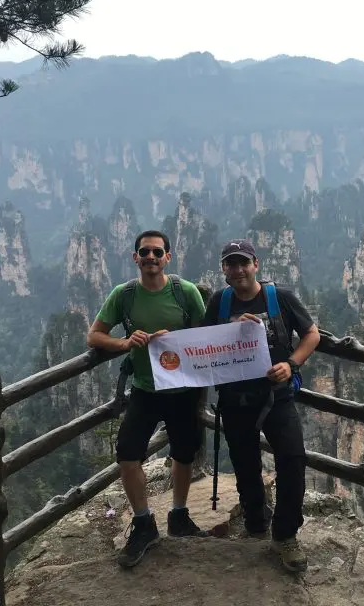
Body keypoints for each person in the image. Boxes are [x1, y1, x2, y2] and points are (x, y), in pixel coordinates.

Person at [87, 230, 210, 569]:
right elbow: (94, 335)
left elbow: (206, 335)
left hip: (183, 389)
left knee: (183, 453)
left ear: (168, 257)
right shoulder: (123, 295)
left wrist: (178, 339)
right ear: (135, 257)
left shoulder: (185, 293)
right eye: (145, 252)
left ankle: (179, 515)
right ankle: (143, 523)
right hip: (145, 388)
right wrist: (125, 343)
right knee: (127, 453)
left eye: (158, 252)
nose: (151, 257)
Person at [203, 239, 321, 573]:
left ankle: (285, 535)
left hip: (276, 395)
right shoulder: (219, 301)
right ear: (224, 269)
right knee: (244, 462)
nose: (238, 270)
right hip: (235, 397)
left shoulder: (278, 297)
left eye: (244, 263)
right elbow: (202, 344)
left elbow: (312, 335)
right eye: (231, 264)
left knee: (293, 457)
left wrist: (292, 364)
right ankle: (255, 519)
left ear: (256, 264)